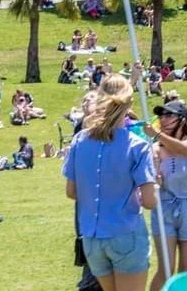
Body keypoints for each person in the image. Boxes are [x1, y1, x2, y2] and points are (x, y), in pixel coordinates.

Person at [63, 71, 156, 291]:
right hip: (126, 233)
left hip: (93, 238)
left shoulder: (79, 140)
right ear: (129, 103)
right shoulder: (137, 145)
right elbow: (150, 202)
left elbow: (71, 191)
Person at [146, 99, 187, 291]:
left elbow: (184, 149)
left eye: (168, 115)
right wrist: (155, 173)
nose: (163, 120)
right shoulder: (156, 148)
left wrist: (156, 133)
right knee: (166, 269)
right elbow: (154, 182)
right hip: (164, 208)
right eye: (161, 116)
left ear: (182, 119)